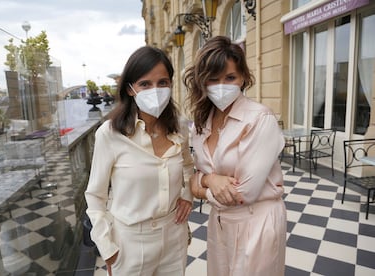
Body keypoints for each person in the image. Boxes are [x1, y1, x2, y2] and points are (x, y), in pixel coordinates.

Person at [85, 45, 194, 276]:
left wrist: (187, 196)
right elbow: (95, 196)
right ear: (131, 89)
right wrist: (107, 247)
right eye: (145, 84)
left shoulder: (180, 127)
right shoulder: (110, 134)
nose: (155, 90)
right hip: (130, 243)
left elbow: (187, 165)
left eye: (162, 82)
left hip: (174, 236)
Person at [183, 36, 287, 276]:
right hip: (219, 222)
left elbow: (243, 194)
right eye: (213, 79)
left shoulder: (260, 119)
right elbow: (194, 175)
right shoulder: (202, 123)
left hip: (256, 222)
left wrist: (199, 184)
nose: (222, 86)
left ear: (242, 78)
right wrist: (211, 180)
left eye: (230, 78)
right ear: (202, 82)